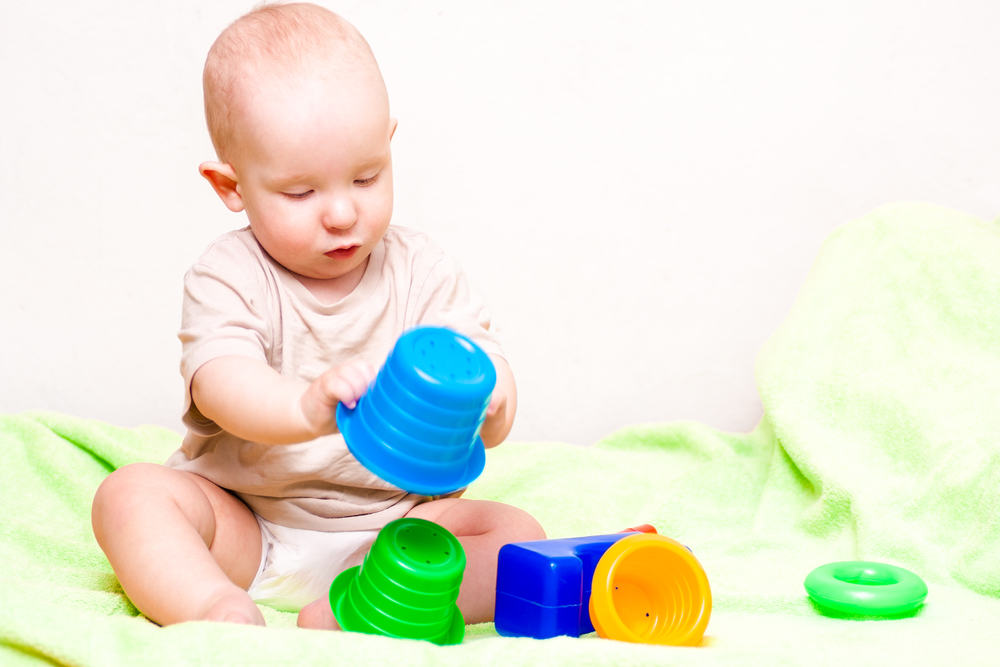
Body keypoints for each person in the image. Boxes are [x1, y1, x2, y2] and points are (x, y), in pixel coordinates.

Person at [91, 2, 544, 630]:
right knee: (129, 495)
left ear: (389, 145)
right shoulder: (229, 275)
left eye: (365, 177)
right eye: (301, 192)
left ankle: (368, 609)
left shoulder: (424, 270)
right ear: (231, 187)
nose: (340, 214)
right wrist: (306, 407)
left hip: (395, 534)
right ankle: (212, 606)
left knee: (516, 537)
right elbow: (223, 385)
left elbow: (481, 380)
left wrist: (493, 401)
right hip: (251, 521)